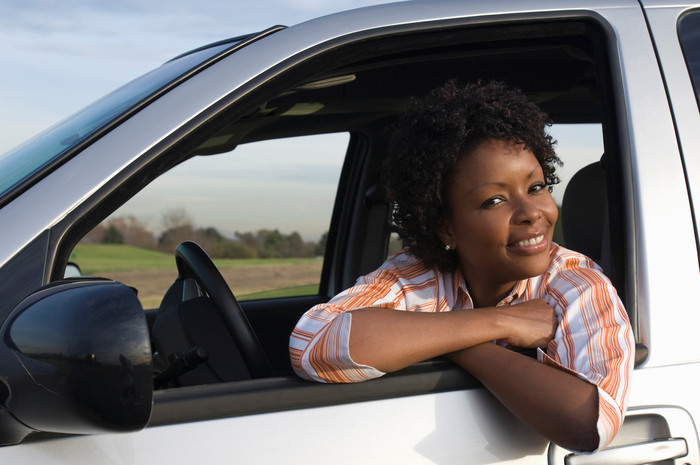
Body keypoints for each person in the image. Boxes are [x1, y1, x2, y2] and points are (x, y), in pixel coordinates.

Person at [289, 80, 634, 453]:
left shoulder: (574, 284)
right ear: (446, 227)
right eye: (494, 200)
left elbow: (590, 423)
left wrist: (452, 344)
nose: (532, 212)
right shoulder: (416, 274)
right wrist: (497, 324)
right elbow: (311, 344)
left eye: (536, 187)